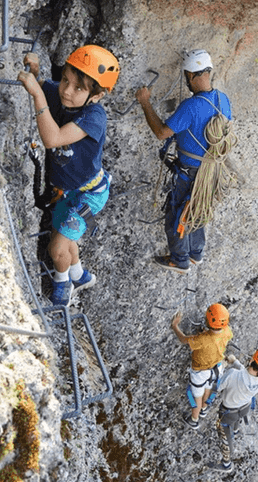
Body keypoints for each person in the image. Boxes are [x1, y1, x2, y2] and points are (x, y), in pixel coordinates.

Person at [18, 45, 119, 306]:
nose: (66, 90)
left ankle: (64, 288)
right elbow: (45, 87)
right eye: (65, 79)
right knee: (64, 236)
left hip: (88, 195)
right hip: (69, 191)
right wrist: (38, 74)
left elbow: (52, 139)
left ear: (96, 96)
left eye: (78, 88)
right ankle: (80, 275)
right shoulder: (66, 98)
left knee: (56, 248)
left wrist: (37, 96)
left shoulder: (93, 117)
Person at [135, 49, 232, 274]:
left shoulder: (191, 107)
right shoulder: (223, 100)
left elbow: (161, 133)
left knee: (178, 213)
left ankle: (180, 260)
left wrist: (145, 103)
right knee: (199, 210)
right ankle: (196, 252)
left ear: (190, 76)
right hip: (211, 172)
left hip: (189, 173)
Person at [213, 347, 258, 473]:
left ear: (253, 358)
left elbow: (218, 386)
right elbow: (245, 375)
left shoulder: (232, 374)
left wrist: (222, 367)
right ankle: (236, 430)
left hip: (228, 412)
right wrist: (236, 362)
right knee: (236, 420)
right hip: (244, 408)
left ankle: (226, 463)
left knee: (224, 436)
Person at [171, 303, 233, 429]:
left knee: (197, 397)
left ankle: (194, 419)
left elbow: (184, 339)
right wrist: (208, 332)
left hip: (200, 372)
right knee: (208, 389)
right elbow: (216, 338)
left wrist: (175, 326)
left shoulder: (202, 339)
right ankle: (204, 410)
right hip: (216, 369)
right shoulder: (227, 331)